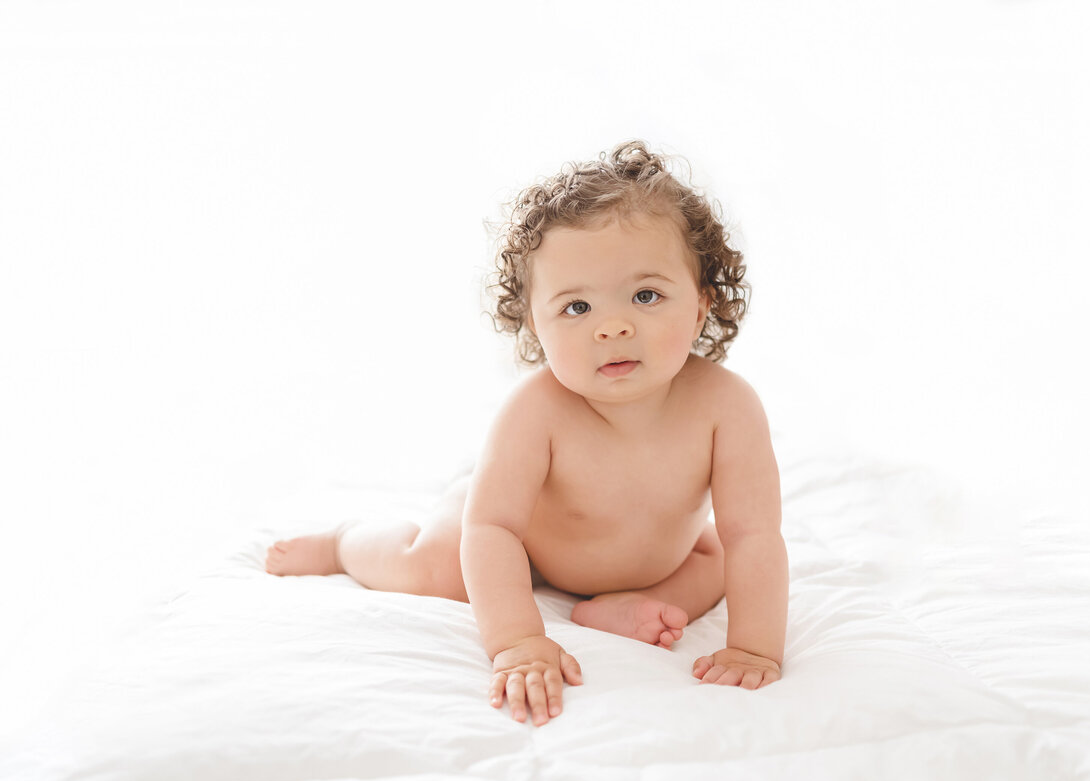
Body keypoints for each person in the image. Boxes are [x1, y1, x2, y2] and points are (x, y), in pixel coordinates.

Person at [265, 141, 787, 726]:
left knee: (720, 560)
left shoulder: (728, 406)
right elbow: (492, 528)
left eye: (646, 295)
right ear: (534, 327)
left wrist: (754, 647)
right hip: (522, 541)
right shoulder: (536, 410)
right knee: (434, 570)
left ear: (699, 306)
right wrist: (516, 642)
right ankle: (344, 541)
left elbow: (754, 535)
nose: (613, 326)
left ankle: (616, 607)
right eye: (576, 308)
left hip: (657, 560)